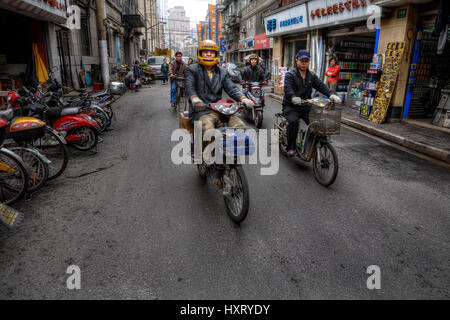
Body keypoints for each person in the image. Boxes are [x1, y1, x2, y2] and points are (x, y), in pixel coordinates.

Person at [185, 40, 255, 194]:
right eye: (206, 52)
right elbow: (189, 88)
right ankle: (209, 161)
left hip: (221, 110)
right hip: (201, 111)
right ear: (200, 54)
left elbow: (231, 88)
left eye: (212, 52)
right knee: (208, 130)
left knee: (240, 128)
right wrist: (194, 99)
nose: (209, 54)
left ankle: (230, 157)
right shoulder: (192, 69)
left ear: (216, 55)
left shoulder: (222, 72)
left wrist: (243, 99)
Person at [282, 49, 342, 158]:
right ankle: (290, 147)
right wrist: (293, 97)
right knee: (294, 122)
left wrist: (331, 94)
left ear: (309, 62)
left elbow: (320, 85)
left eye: (306, 61)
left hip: (306, 106)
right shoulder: (290, 75)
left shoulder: (311, 76)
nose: (304, 63)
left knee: (318, 122)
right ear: (297, 61)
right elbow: (288, 88)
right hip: (291, 106)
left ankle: (307, 143)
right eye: (302, 60)